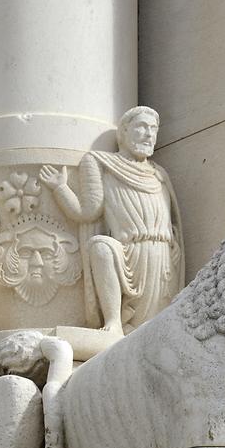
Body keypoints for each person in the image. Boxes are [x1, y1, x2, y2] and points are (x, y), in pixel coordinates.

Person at [39, 106, 184, 336]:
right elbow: (88, 212)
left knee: (156, 330)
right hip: (128, 254)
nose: (149, 134)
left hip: (162, 258)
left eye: (153, 129)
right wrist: (60, 188)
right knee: (100, 246)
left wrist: (174, 246)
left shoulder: (159, 174)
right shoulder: (102, 163)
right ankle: (114, 321)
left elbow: (173, 220)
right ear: (124, 133)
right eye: (141, 127)